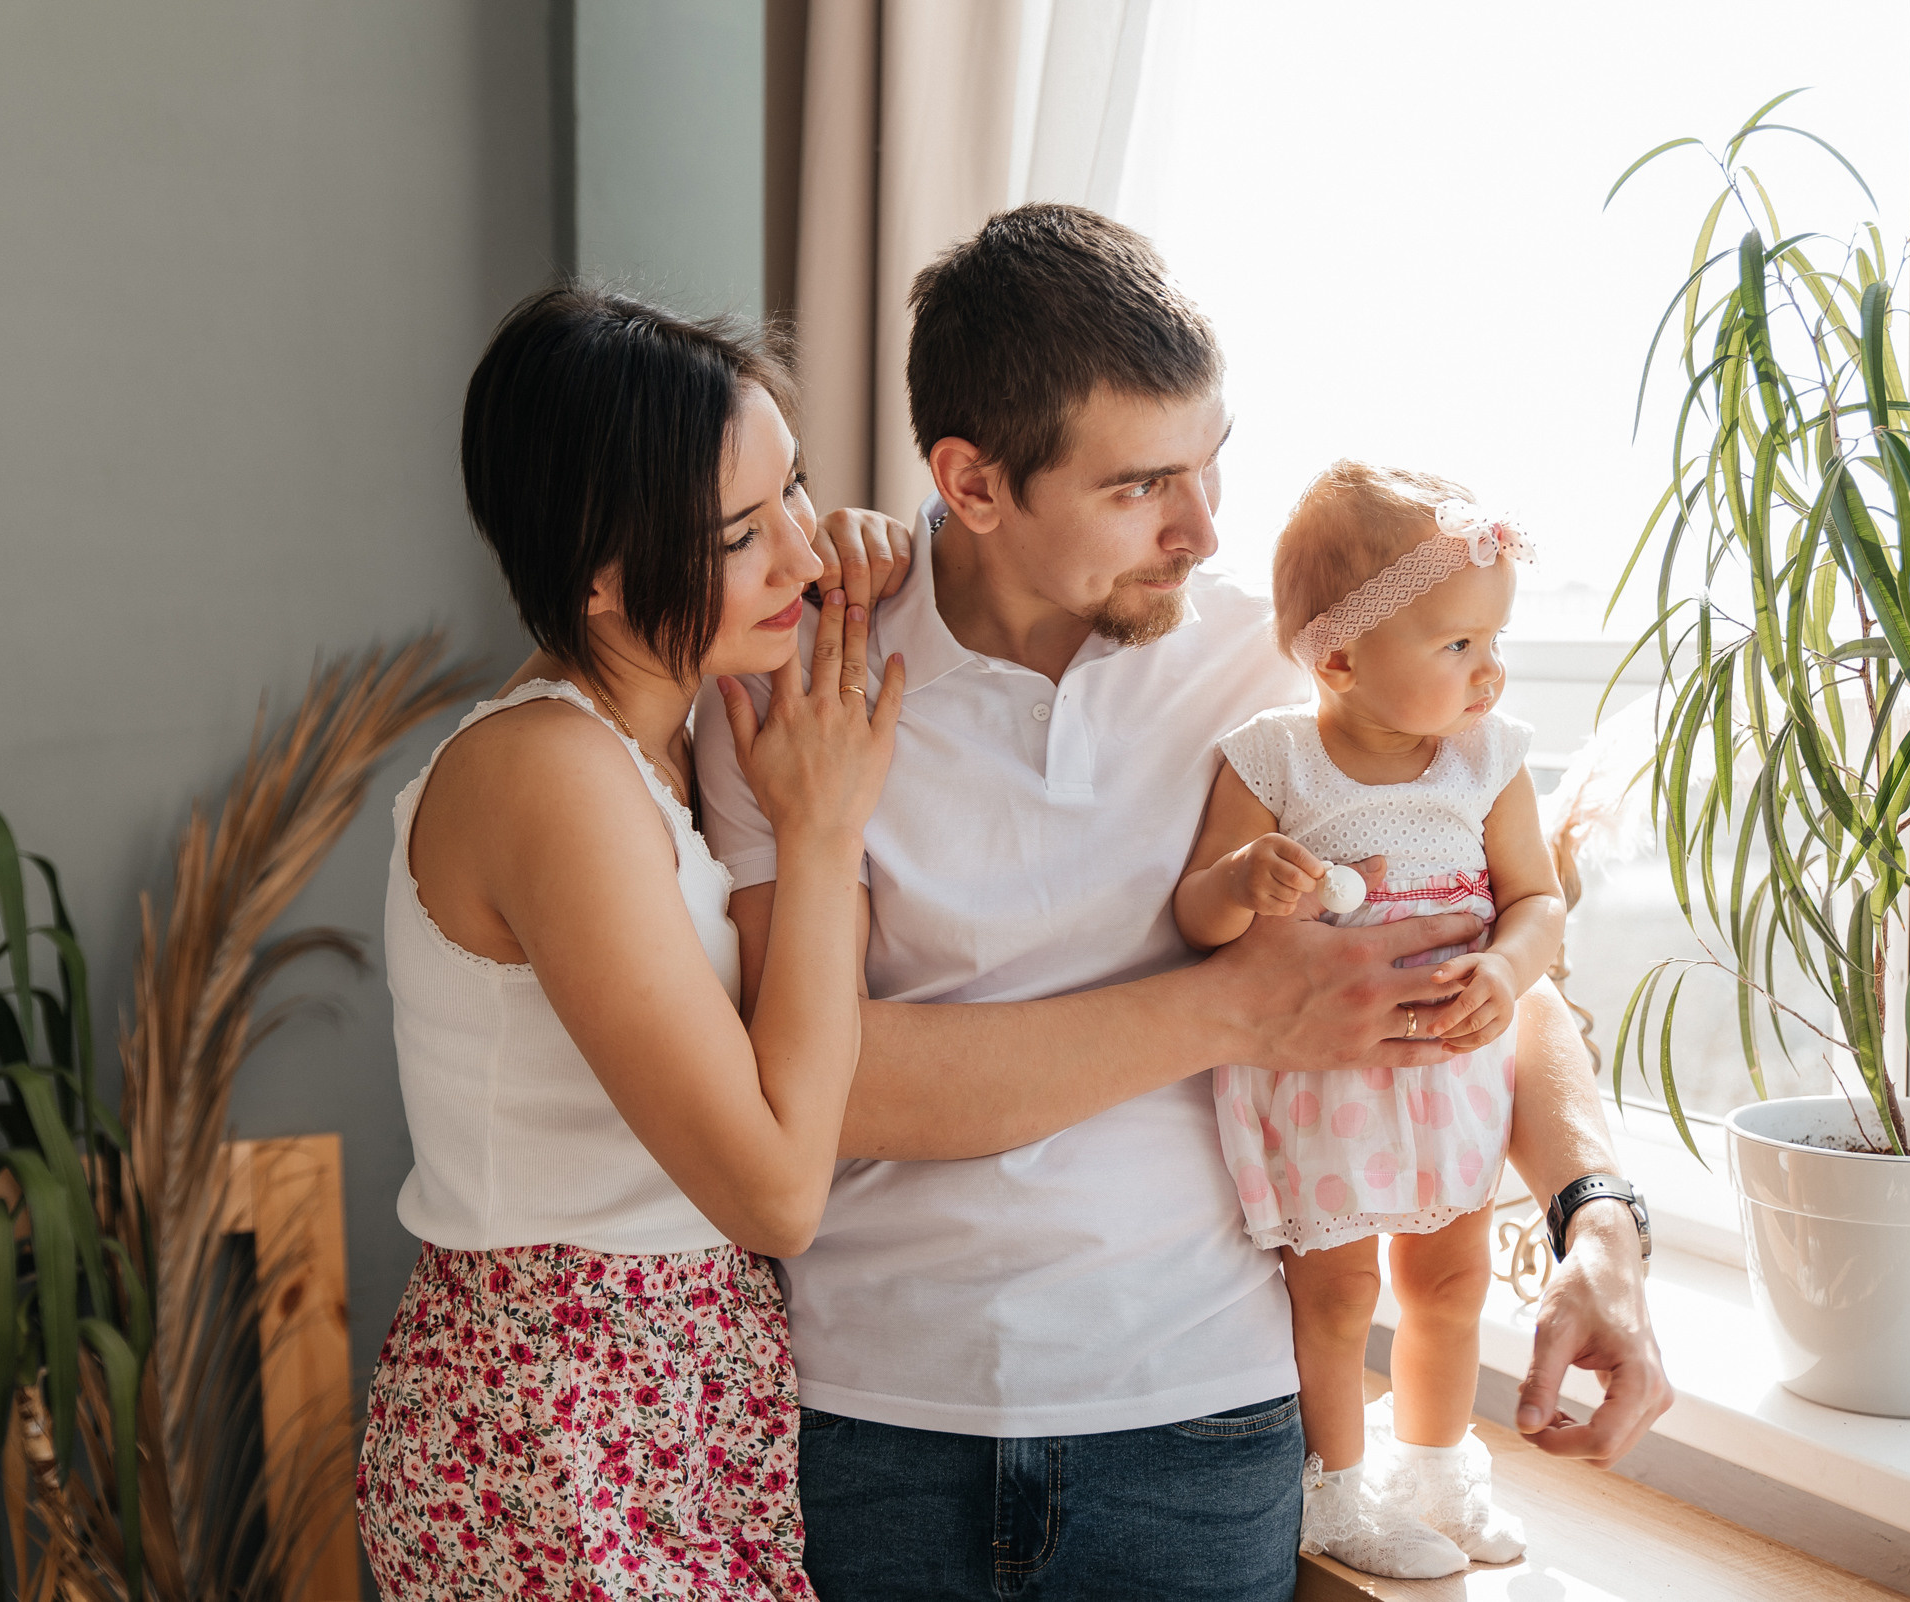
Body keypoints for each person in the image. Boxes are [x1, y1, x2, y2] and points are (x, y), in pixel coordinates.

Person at [694, 205, 1672, 1601]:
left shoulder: (1291, 666)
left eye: (1213, 463)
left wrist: (1600, 1218)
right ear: (973, 484)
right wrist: (1234, 1007)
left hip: (1205, 1427)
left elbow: (1478, 956)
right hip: (871, 1427)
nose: (1203, 530)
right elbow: (826, 1083)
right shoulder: (804, 683)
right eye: (1141, 486)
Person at [356, 287, 907, 1599]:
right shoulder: (550, 772)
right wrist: (819, 834)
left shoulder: (657, 742)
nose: (802, 556)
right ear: (599, 575)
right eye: (741, 533)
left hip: (655, 1388)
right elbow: (777, 1193)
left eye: (798, 488)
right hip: (562, 1417)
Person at [1175, 463, 1564, 1578]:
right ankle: (1335, 1491)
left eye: (1495, 640)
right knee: (1339, 1291)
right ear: (1339, 659)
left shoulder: (1490, 761)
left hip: (1450, 1073)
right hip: (1326, 1083)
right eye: (1458, 644)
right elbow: (1197, 917)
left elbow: (1539, 902)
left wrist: (1506, 967)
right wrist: (1244, 881)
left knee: (1450, 1281)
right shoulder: (1276, 759)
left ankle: (1434, 1469)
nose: (1489, 670)